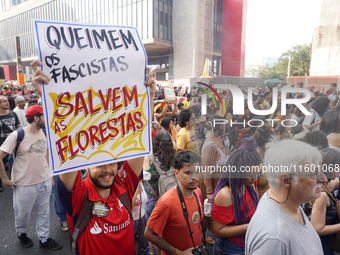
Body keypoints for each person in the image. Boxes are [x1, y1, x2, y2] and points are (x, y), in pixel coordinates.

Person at [30, 59, 156, 254]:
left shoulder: (124, 184)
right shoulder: (79, 195)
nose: (107, 169)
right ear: (85, 165)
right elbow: (67, 150)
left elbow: (140, 136)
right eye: (98, 164)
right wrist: (46, 97)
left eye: (112, 162)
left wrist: (148, 97)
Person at [245, 139, 327, 255]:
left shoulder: (288, 203)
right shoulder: (273, 238)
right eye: (313, 173)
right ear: (287, 181)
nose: (323, 179)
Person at [0, 105, 62, 250]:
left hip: (44, 180)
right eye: (44, 116)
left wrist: (50, 177)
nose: (47, 119)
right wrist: (5, 180)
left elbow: (46, 155)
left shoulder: (45, 133)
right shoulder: (18, 135)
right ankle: (21, 233)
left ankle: (44, 238)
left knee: (44, 211)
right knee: (23, 213)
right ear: (36, 118)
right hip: (24, 183)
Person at [144, 151, 203, 255]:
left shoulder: (197, 191)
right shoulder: (166, 202)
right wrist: (178, 253)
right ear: (176, 173)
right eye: (188, 173)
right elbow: (149, 233)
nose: (194, 177)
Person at [211, 138, 261, 255]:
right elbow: (218, 231)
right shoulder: (226, 195)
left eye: (257, 174)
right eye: (250, 175)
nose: (255, 179)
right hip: (231, 249)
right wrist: (251, 226)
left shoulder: (251, 184)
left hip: (248, 243)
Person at [310, 149, 340, 255]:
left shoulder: (321, 185)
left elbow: (335, 183)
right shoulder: (321, 195)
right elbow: (317, 228)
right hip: (322, 246)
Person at [0, 95, 20, 191]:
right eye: (4, 101)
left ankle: (14, 183)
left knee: (14, 164)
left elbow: (18, 126)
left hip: (13, 145)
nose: (8, 102)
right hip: (1, 145)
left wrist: (15, 133)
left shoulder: (12, 113)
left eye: (7, 101)